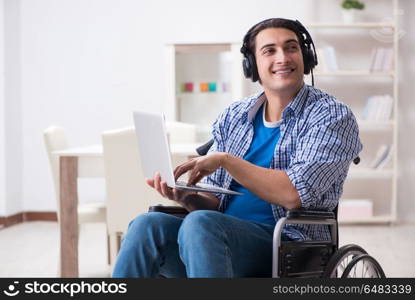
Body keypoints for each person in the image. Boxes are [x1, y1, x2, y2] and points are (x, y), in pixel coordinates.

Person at [112, 18, 362, 278]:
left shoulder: (331, 116)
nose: (283, 58)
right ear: (252, 64)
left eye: (291, 48)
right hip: (216, 239)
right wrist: (186, 197)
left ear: (305, 57)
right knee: (147, 225)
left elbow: (293, 194)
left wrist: (227, 161)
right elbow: (214, 202)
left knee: (201, 225)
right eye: (269, 51)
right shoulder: (235, 115)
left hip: (288, 245)